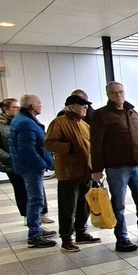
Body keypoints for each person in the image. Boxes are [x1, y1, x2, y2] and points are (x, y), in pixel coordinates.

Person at [90, 82, 138, 252]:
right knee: (119, 205)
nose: (118, 95)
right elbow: (96, 143)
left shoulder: (132, 112)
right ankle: (121, 238)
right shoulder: (101, 115)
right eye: (114, 93)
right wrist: (97, 169)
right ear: (108, 95)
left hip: (137, 165)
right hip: (116, 167)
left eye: (121, 92)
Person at [45, 95, 101, 253]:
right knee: (68, 207)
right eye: (82, 105)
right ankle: (66, 238)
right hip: (69, 173)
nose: (85, 108)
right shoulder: (59, 122)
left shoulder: (84, 124)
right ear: (71, 106)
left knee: (85, 206)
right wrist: (69, 148)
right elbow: (49, 144)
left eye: (86, 105)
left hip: (86, 171)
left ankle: (81, 233)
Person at [0, 98, 52, 224]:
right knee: (21, 189)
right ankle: (28, 216)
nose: (17, 109)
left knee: (37, 190)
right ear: (5, 109)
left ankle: (42, 214)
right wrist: (9, 157)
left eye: (18, 107)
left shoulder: (25, 120)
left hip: (28, 162)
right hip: (11, 163)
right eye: (14, 107)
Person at [9, 94, 57, 249]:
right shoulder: (26, 123)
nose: (41, 106)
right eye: (39, 103)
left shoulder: (23, 119)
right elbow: (27, 149)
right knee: (36, 199)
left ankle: (36, 228)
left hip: (27, 166)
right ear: (33, 106)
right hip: (31, 167)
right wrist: (41, 164)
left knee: (35, 198)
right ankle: (34, 234)